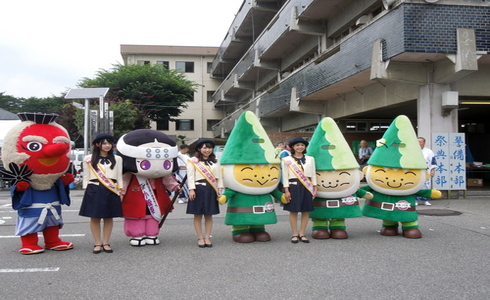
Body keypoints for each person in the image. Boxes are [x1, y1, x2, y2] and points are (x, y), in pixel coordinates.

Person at [79, 133, 123, 254]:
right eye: (104, 143)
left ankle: (106, 242)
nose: (107, 145)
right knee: (95, 217)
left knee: (109, 217)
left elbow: (119, 176)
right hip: (94, 189)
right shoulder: (89, 158)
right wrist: (86, 190)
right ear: (98, 145)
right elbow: (86, 177)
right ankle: (97, 243)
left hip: (111, 189)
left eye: (109, 143)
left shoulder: (118, 159)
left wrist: (120, 191)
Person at [186, 139, 222, 248]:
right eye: (204, 148)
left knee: (209, 214)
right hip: (198, 189)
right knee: (197, 214)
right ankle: (200, 237)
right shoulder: (193, 161)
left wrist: (220, 189)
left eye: (209, 147)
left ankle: (207, 237)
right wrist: (191, 189)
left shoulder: (215, 161)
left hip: (211, 189)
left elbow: (219, 176)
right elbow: (190, 176)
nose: (207, 150)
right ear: (199, 149)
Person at [281, 137, 317, 244]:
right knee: (294, 210)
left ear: (305, 146)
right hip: (293, 187)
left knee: (306, 210)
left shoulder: (310, 159)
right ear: (292, 147)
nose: (300, 147)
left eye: (302, 145)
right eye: (297, 145)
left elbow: (313, 174)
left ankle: (302, 233)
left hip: (307, 186)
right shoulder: (287, 160)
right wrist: (286, 190)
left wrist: (315, 187)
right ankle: (294, 234)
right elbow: (285, 176)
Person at [417, 137, 437, 205]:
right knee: (415, 186)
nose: (419, 143)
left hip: (426, 172)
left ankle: (425, 200)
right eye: (417, 142)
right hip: (416, 172)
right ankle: (415, 200)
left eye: (420, 142)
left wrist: (433, 171)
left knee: (426, 186)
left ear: (424, 143)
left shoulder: (429, 151)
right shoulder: (412, 151)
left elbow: (433, 162)